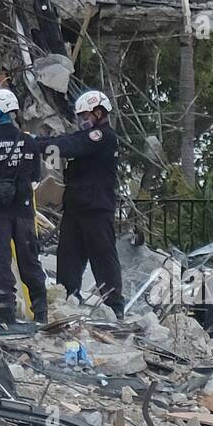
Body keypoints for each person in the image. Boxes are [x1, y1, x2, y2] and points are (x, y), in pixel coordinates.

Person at [0, 88, 47, 325]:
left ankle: (6, 312)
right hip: (23, 211)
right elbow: (36, 174)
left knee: (1, 260)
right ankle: (41, 311)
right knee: (29, 259)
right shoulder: (28, 141)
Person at [47, 89, 124, 317]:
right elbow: (69, 144)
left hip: (96, 207)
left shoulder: (103, 137)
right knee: (68, 256)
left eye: (86, 115)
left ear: (99, 113)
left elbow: (72, 145)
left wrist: (40, 143)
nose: (82, 121)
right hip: (76, 206)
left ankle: (114, 306)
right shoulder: (85, 138)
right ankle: (68, 298)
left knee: (103, 256)